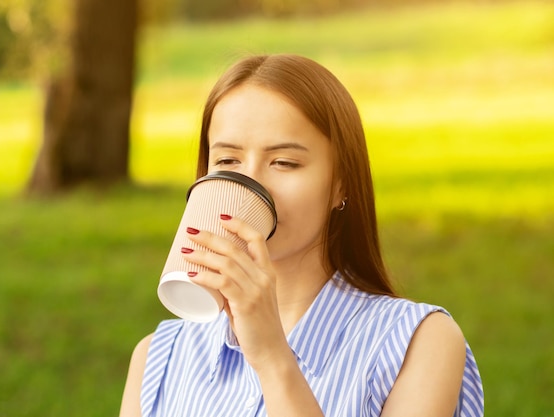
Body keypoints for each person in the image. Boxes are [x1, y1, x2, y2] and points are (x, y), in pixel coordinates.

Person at [119, 54, 484, 417]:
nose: (250, 183)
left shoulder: (419, 343)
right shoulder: (157, 359)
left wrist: (273, 357)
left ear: (341, 183)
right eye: (228, 161)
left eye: (284, 163)